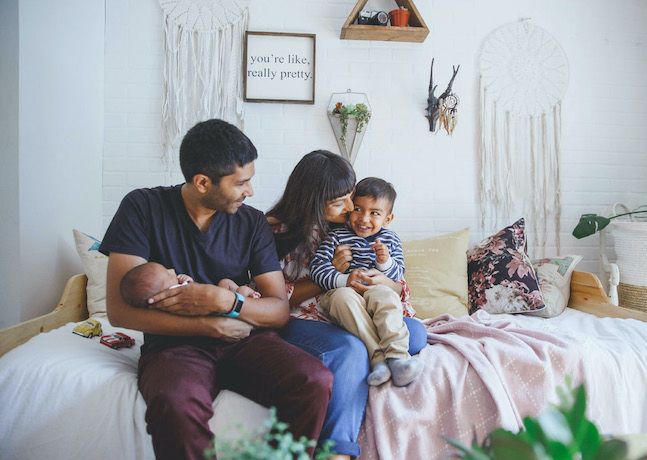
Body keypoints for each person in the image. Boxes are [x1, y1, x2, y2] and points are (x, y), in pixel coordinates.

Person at [100, 119, 333, 460]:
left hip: (245, 339)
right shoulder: (142, 208)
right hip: (174, 347)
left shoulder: (251, 222)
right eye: (241, 183)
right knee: (174, 402)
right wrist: (208, 325)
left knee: (314, 380)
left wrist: (226, 301)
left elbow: (278, 309)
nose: (250, 191)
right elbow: (119, 310)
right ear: (203, 182)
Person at [266, 150, 428, 459]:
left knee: (416, 333)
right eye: (342, 201)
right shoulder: (275, 231)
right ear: (314, 198)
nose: (352, 208)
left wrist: (384, 280)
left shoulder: (354, 224)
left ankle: (379, 353)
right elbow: (273, 296)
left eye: (349, 196)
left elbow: (397, 284)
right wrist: (335, 275)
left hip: (359, 307)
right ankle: (337, 450)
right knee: (351, 349)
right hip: (308, 317)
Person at [310, 177, 423, 387]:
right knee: (343, 298)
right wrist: (344, 279)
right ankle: (378, 360)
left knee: (386, 295)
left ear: (388, 219)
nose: (364, 219)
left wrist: (384, 262)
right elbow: (318, 269)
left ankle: (397, 359)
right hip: (343, 292)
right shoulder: (336, 236)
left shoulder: (390, 239)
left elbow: (398, 275)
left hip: (375, 291)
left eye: (374, 213)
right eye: (358, 209)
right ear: (350, 207)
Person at [119, 261, 258, 309]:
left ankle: (245, 296)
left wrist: (187, 280)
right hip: (219, 307)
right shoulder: (173, 296)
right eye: (168, 274)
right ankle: (248, 295)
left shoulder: (175, 289)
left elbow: (194, 288)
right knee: (242, 290)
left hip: (216, 296)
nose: (172, 270)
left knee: (225, 283)